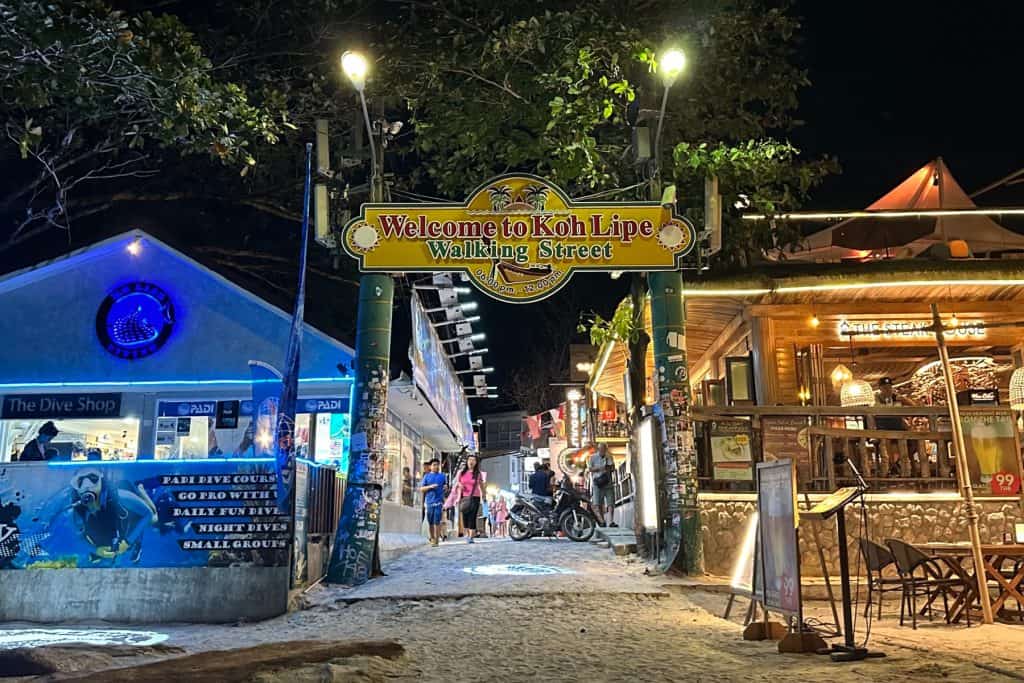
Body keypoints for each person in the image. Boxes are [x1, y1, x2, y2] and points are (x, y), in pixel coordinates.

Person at [455, 454, 486, 543]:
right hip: (464, 497)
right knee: (465, 517)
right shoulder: (461, 473)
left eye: (473, 460)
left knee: (472, 516)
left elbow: (481, 485)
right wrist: (459, 488)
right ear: (467, 462)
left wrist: (484, 496)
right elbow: (457, 484)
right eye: (470, 460)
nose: (471, 462)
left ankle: (471, 536)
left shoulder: (478, 474)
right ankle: (467, 534)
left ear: (476, 462)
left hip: (475, 497)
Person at [419, 458, 447, 546]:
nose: (436, 467)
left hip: (439, 502)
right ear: (430, 467)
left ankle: (437, 540)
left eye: (437, 465)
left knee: (437, 521)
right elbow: (422, 489)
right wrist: (430, 487)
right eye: (434, 465)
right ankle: (432, 538)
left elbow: (446, 486)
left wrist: (445, 488)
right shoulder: (426, 476)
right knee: (430, 521)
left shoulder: (442, 476)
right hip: (429, 502)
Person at [588, 443, 616, 527]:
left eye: (604, 449)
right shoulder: (592, 457)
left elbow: (612, 468)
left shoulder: (609, 457)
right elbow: (590, 469)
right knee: (596, 503)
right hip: (597, 482)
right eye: (601, 449)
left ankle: (611, 521)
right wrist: (599, 468)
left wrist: (608, 468)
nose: (602, 451)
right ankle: (601, 520)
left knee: (610, 502)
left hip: (607, 481)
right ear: (598, 449)